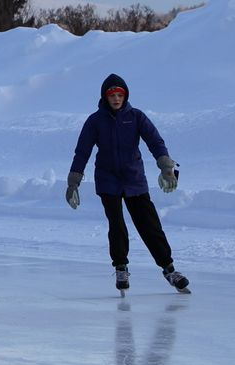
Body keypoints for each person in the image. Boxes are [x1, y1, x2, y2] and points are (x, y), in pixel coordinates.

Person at [67, 74, 190, 293]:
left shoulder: (136, 117)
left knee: (149, 225)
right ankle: (121, 267)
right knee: (117, 225)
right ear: (105, 97)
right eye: (112, 95)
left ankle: (169, 269)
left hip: (134, 179)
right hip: (108, 180)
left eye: (119, 95)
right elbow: (82, 150)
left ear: (125, 96)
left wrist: (165, 165)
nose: (116, 99)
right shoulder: (95, 121)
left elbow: (155, 140)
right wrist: (73, 181)